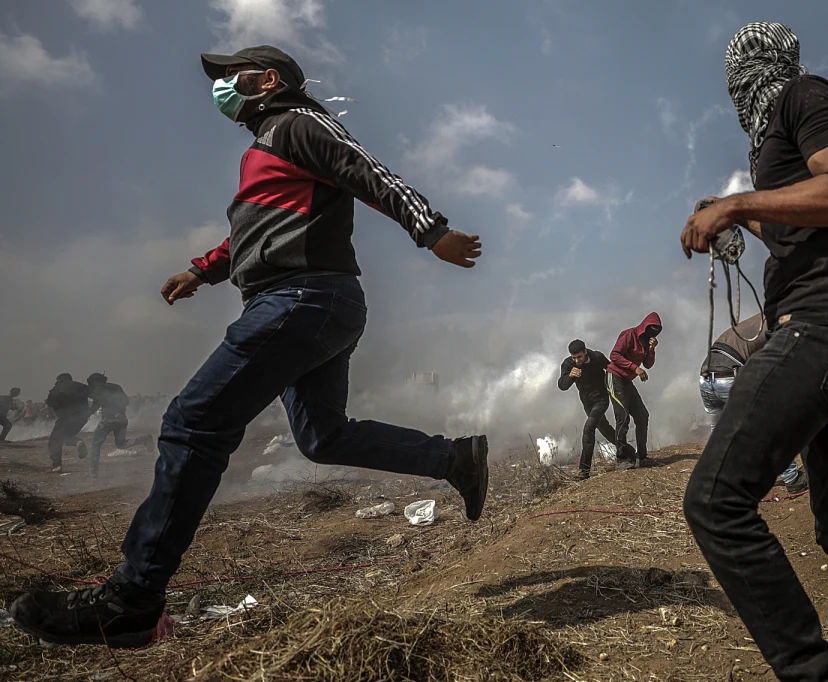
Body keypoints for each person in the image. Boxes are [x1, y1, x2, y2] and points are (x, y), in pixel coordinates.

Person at [10, 45, 488, 649]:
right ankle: (455, 459)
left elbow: (369, 171)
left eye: (228, 76)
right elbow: (253, 232)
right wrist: (202, 270)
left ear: (267, 78)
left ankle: (132, 598)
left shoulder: (297, 122)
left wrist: (432, 231)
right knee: (322, 437)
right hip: (307, 302)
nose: (219, 88)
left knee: (194, 420)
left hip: (302, 298)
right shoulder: (264, 150)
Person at [679, 23, 828, 682]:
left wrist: (737, 203)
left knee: (716, 502)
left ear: (751, 69)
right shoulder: (773, 140)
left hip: (824, 319)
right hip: (822, 322)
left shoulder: (805, 97)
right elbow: (801, 223)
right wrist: (736, 219)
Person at [700, 312, 807, 494]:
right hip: (729, 377)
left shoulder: (754, 324)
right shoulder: (778, 321)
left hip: (706, 381)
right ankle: (793, 479)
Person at [558, 339, 622, 479]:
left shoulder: (596, 357)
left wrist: (617, 389)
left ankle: (584, 471)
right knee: (604, 429)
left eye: (579, 357)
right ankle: (627, 452)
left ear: (585, 352)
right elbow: (562, 385)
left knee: (588, 429)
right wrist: (570, 376)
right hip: (587, 403)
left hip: (601, 399)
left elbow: (612, 369)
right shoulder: (568, 364)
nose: (576, 360)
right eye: (573, 357)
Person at [606, 312, 662, 469]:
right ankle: (621, 459)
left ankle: (642, 457)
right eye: (651, 328)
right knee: (622, 417)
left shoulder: (646, 342)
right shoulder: (629, 334)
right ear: (644, 326)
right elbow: (614, 355)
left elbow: (649, 364)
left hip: (627, 381)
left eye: (657, 329)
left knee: (642, 415)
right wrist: (635, 368)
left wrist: (651, 349)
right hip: (614, 378)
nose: (654, 331)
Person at [85, 374, 153, 475]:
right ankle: (144, 439)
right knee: (121, 444)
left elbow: (98, 403)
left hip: (108, 419)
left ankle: (93, 471)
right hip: (121, 418)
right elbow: (125, 401)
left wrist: (88, 412)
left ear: (95, 382)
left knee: (95, 444)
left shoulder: (99, 390)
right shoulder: (116, 387)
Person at [44, 373, 92, 472]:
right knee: (67, 436)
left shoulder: (57, 387)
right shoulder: (81, 386)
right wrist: (90, 411)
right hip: (82, 418)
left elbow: (49, 402)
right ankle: (78, 442)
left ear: (60, 380)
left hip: (66, 418)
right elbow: (96, 396)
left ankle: (57, 466)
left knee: (54, 441)